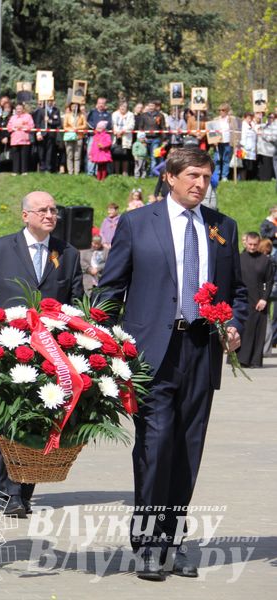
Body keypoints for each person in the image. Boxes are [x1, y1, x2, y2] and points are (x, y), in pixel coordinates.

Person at [97, 147, 247, 581]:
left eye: (206, 177)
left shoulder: (222, 228)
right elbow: (111, 290)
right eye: (193, 176)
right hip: (150, 355)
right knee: (155, 447)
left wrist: (234, 325)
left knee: (187, 448)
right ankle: (147, 543)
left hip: (201, 351)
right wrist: (99, 349)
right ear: (170, 177)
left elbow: (235, 291)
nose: (200, 184)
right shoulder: (138, 223)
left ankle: (173, 540)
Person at [0, 191, 83, 517]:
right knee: (10, 416)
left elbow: (76, 303)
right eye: (42, 210)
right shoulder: (2, 249)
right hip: (10, 348)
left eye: (53, 210)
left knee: (38, 418)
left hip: (52, 351)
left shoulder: (67, 254)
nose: (50, 214)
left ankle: (19, 491)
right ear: (25, 215)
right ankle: (12, 491)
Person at [236, 232, 274, 368]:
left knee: (257, 331)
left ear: (259, 244)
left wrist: (264, 299)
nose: (252, 247)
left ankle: (254, 360)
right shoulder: (239, 258)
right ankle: (241, 359)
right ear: (245, 243)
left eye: (255, 245)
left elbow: (269, 281)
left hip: (259, 300)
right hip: (242, 299)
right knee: (243, 329)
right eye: (250, 244)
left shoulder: (265, 260)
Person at [6, 103, 34, 175]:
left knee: (24, 156)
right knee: (15, 156)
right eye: (17, 109)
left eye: (20, 109)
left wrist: (23, 128)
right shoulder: (12, 117)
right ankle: (15, 171)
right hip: (15, 140)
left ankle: (24, 171)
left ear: (23, 109)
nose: (18, 110)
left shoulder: (28, 116)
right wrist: (13, 128)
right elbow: (8, 127)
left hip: (24, 139)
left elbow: (31, 126)